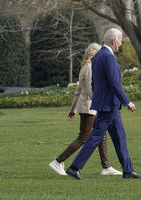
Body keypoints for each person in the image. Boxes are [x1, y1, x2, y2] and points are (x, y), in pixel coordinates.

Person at [66, 28, 141, 180]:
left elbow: (95, 83)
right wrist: (127, 101)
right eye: (120, 41)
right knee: (96, 136)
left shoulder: (98, 56)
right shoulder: (108, 57)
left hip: (107, 104)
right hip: (109, 105)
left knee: (119, 137)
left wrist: (99, 99)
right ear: (114, 40)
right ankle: (74, 167)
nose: (120, 45)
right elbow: (115, 84)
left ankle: (128, 170)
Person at [49, 43, 122, 176]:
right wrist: (102, 105)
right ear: (95, 54)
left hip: (88, 107)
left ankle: (106, 167)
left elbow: (78, 91)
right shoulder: (89, 68)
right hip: (89, 108)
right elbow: (90, 91)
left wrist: (72, 110)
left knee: (102, 135)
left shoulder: (86, 67)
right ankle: (58, 161)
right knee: (84, 138)